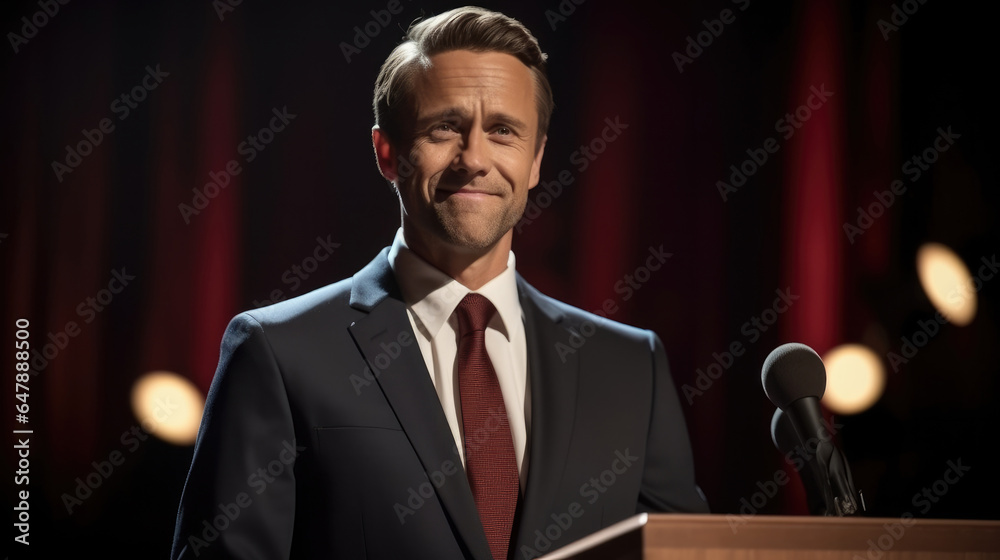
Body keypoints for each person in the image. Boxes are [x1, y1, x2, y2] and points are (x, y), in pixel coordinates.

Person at [171, 6, 708, 560]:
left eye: (503, 131)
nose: (474, 158)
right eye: (445, 127)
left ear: (536, 160)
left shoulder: (629, 367)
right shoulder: (279, 354)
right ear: (388, 153)